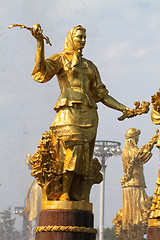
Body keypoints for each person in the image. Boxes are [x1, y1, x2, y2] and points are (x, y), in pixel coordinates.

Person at [31, 24, 130, 201]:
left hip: (89, 114)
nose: (83, 40)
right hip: (69, 112)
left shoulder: (89, 66)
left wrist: (123, 108)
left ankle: (76, 193)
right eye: (79, 37)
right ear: (71, 38)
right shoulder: (61, 59)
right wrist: (40, 43)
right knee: (71, 151)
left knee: (84, 155)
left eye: (84, 37)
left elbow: (101, 94)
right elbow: (41, 72)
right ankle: (64, 192)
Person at [113, 128, 158, 240]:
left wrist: (150, 143)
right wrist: (152, 143)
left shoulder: (130, 150)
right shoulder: (131, 151)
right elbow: (141, 157)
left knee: (137, 210)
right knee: (140, 208)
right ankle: (133, 231)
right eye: (137, 137)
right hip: (134, 185)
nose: (138, 139)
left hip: (133, 184)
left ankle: (133, 230)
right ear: (132, 139)